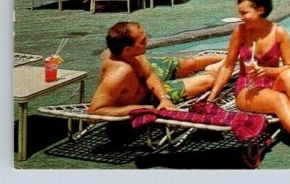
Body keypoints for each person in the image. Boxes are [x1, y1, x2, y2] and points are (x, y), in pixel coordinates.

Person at [207, 0, 290, 162]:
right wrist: (211, 99)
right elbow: (228, 66)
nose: (241, 18)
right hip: (247, 90)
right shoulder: (240, 32)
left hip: (271, 83)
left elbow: (289, 67)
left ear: (261, 10)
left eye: (245, 13)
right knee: (280, 99)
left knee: (289, 75)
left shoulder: (279, 33)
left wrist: (266, 70)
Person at [88, 21, 224, 117]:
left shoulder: (135, 55)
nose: (147, 40)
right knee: (209, 80)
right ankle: (217, 69)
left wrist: (164, 98)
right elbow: (94, 111)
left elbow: (149, 75)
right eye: (142, 41)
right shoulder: (119, 74)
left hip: (149, 80)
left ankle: (229, 57)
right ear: (127, 49)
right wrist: (139, 108)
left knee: (189, 64)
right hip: (147, 97)